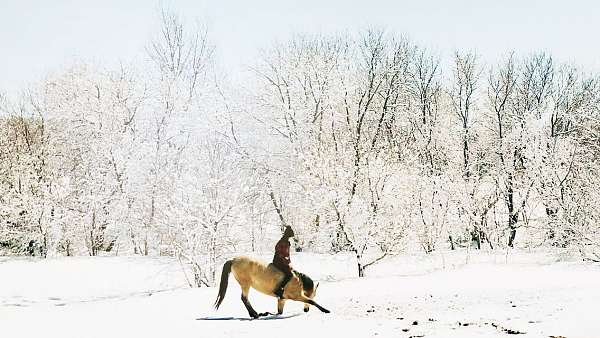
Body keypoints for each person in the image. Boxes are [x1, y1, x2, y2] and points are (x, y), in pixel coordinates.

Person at [273, 225, 295, 299]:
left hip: (283, 261)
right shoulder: (282, 242)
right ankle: (278, 290)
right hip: (278, 261)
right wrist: (285, 260)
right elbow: (280, 253)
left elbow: (286, 254)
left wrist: (288, 261)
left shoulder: (286, 242)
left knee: (291, 273)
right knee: (289, 275)